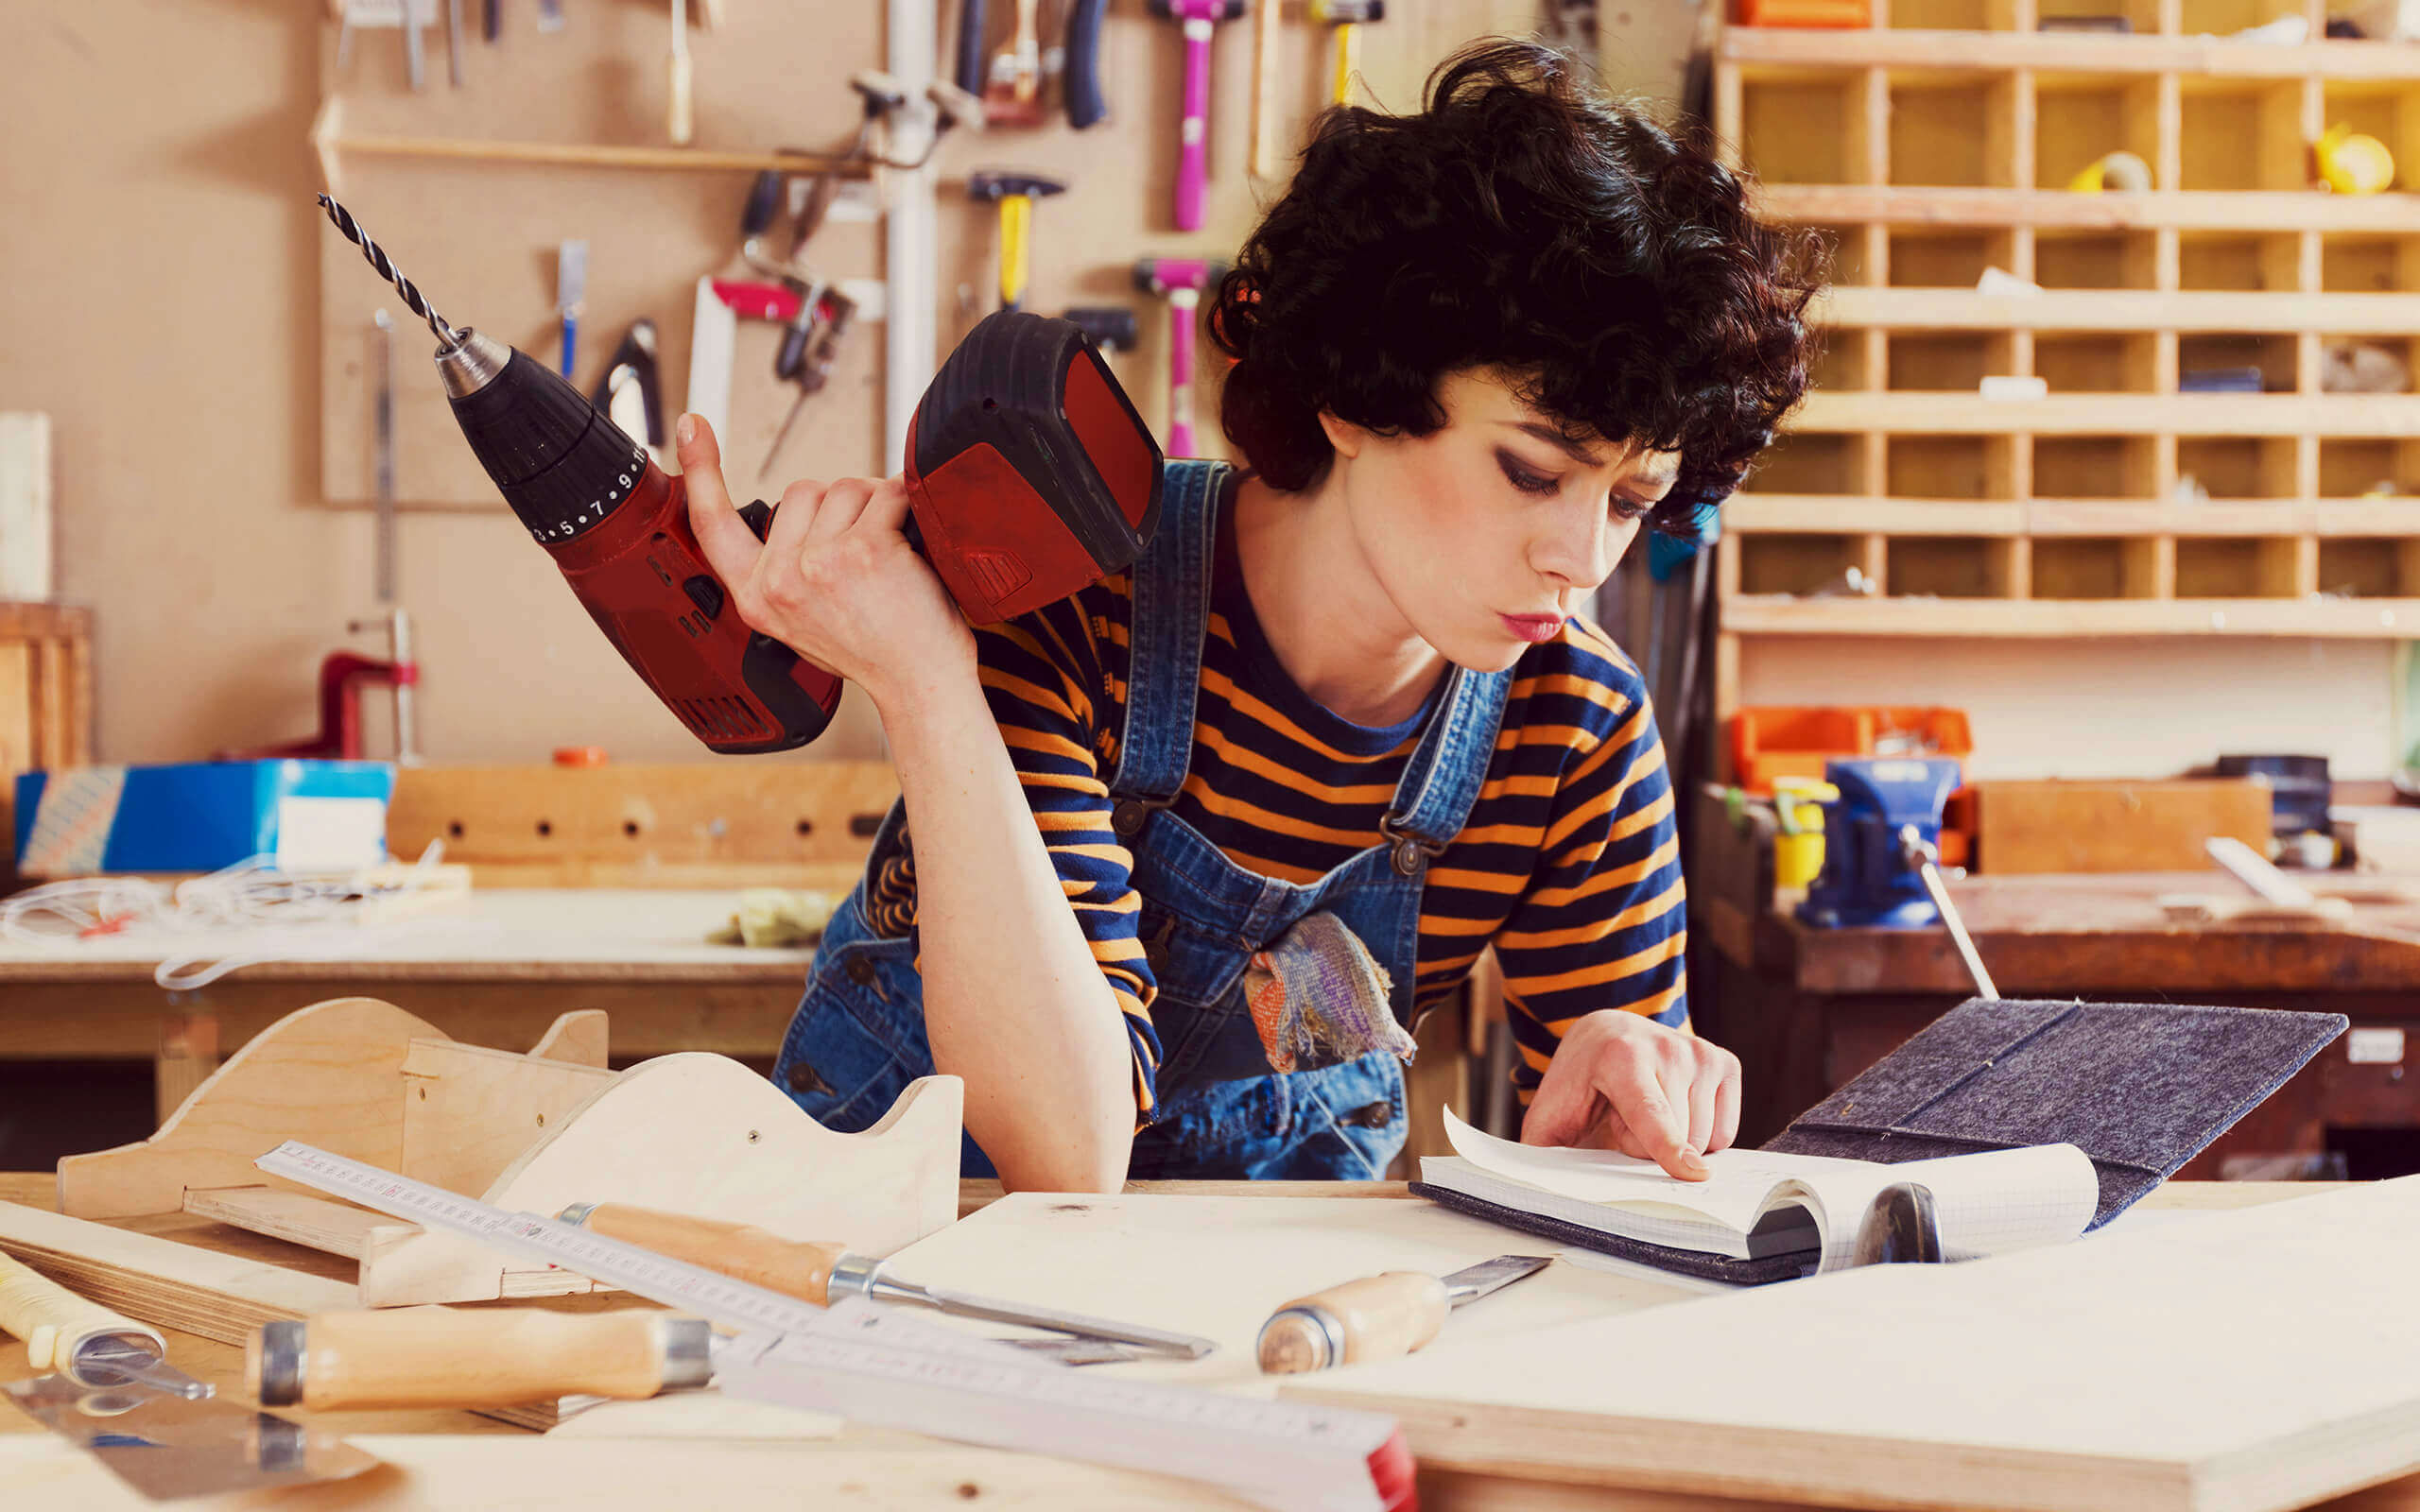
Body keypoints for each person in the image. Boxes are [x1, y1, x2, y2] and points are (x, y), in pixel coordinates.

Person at [671, 37, 1820, 1193]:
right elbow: (1061, 1152)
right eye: (1529, 472)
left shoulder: (1574, 728)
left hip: (1268, 1304)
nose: (1580, 557)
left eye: (1630, 500)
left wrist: (1622, 1121)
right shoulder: (1072, 597)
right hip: (917, 1248)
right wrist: (926, 683)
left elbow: (1613, 1188)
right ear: (1356, 395)